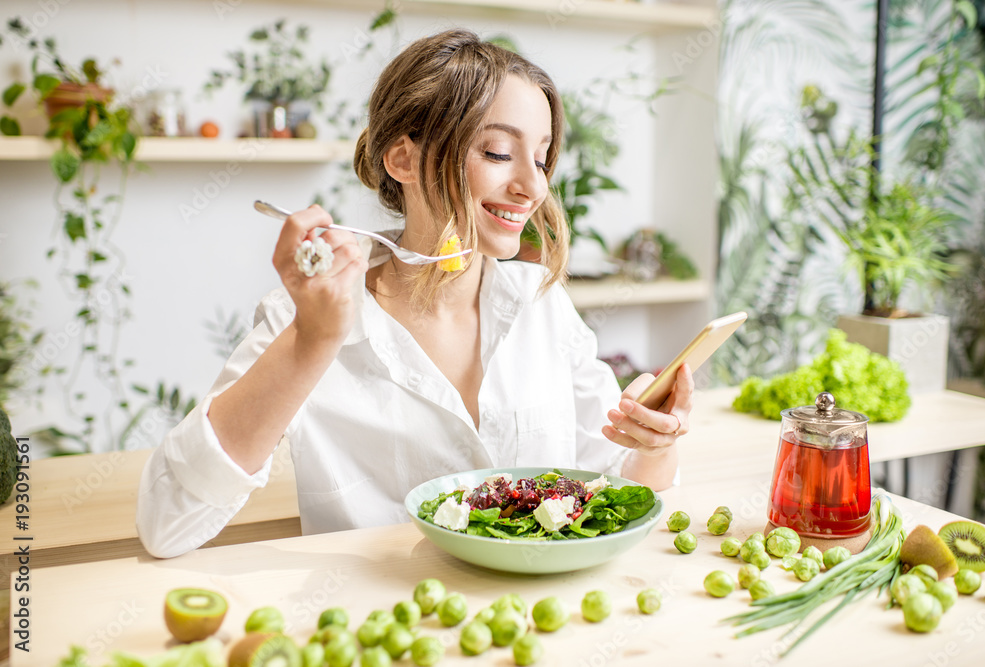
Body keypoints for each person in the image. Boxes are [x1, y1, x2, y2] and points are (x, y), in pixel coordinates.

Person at [136, 28, 693, 559]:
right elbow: (166, 524)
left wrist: (653, 443)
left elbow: (616, 487)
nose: (534, 186)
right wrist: (312, 340)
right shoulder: (307, 318)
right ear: (403, 158)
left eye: (542, 158)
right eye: (499, 152)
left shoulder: (541, 304)